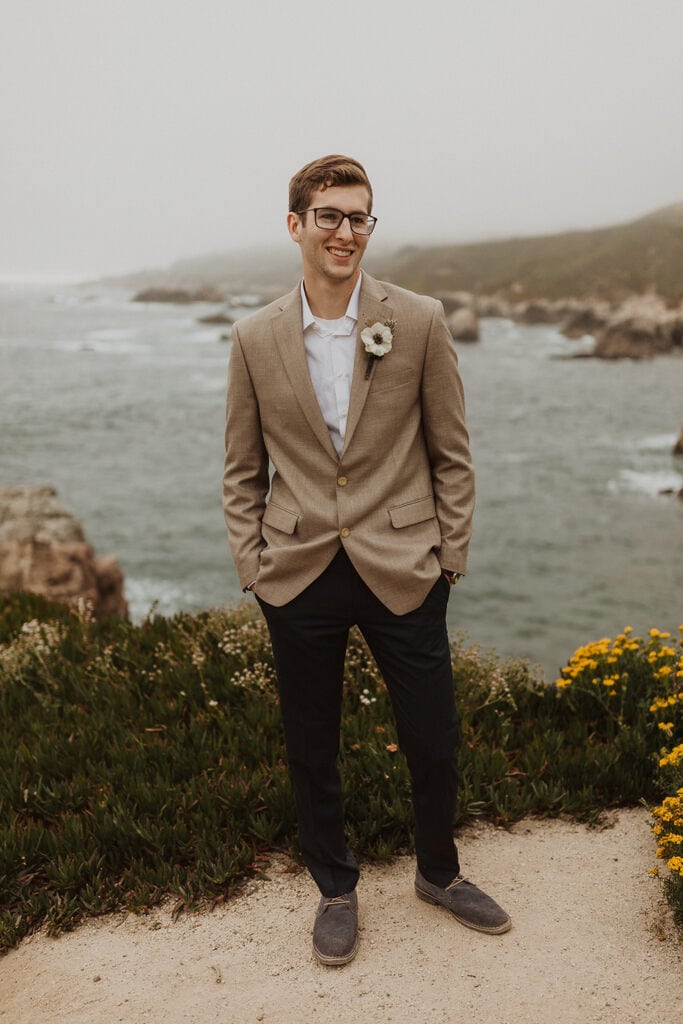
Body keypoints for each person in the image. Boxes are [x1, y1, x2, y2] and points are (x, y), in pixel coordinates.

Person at [222, 154, 511, 965]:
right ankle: (335, 888)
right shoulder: (252, 337)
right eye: (330, 216)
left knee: (432, 733)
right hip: (299, 567)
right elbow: (241, 469)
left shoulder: (416, 319)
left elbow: (452, 453)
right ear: (296, 225)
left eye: (359, 218)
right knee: (310, 741)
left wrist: (447, 558)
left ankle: (440, 873)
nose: (346, 232)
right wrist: (255, 567)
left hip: (402, 563)